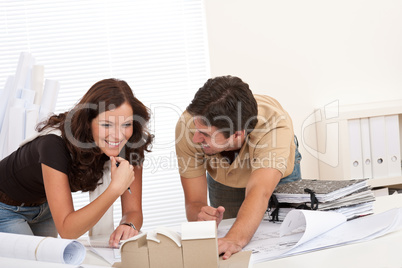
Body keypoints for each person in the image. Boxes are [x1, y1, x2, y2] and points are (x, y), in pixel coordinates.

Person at [0, 78, 152, 247]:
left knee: (49, 261)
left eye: (126, 124)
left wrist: (128, 225)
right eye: (106, 125)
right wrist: (115, 189)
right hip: (5, 208)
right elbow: (68, 231)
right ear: (88, 123)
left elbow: (133, 211)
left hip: (45, 206)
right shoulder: (53, 144)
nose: (118, 135)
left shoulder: (130, 144)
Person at [175, 75, 302, 259]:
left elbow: (260, 191)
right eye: (196, 130)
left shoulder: (274, 126)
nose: (194, 139)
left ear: (237, 134)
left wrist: (236, 238)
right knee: (229, 245)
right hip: (223, 172)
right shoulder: (190, 124)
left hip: (272, 173)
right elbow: (194, 202)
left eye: (204, 134)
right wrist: (201, 216)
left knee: (284, 238)